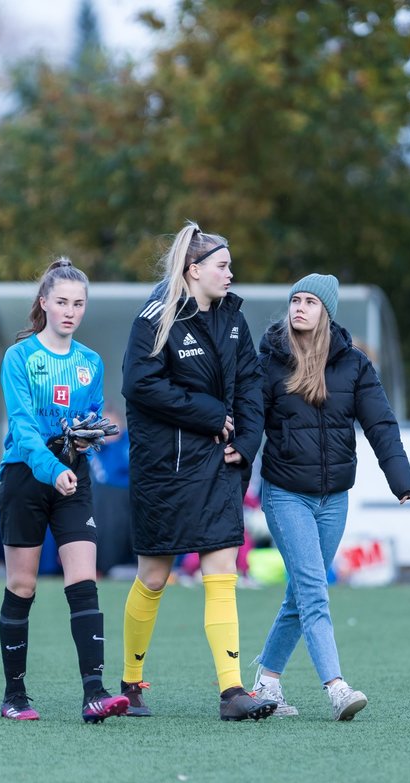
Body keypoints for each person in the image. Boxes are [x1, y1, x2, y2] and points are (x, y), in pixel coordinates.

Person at [118, 222, 276, 722]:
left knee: (222, 571)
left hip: (219, 468)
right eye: (223, 266)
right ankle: (131, 682)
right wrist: (209, 414)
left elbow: (250, 385)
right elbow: (138, 384)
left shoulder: (232, 316)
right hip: (164, 469)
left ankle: (232, 693)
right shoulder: (156, 315)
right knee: (155, 576)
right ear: (194, 270)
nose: (232, 274)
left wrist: (246, 443)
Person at [249, 274, 410, 721]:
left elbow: (380, 423)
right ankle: (337, 687)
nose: (299, 308)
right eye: (295, 300)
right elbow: (249, 426)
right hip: (285, 494)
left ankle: (266, 682)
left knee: (300, 594)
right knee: (313, 589)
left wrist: (399, 478)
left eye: (310, 302)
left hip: (334, 498)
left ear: (327, 311)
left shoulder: (354, 364)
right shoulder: (268, 362)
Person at [0, 258, 129, 723]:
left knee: (84, 582)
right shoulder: (20, 358)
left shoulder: (90, 362)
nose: (70, 311)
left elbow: (89, 419)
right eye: (62, 302)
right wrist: (54, 467)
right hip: (27, 478)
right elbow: (24, 429)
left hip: (74, 478)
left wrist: (89, 436)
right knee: (22, 585)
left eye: (78, 303)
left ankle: (95, 693)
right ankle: (15, 695)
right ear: (44, 304)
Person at [89, 407, 135, 575]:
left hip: (135, 493)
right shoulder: (93, 449)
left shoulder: (131, 441)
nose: (108, 431)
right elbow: (104, 477)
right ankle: (104, 565)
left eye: (112, 425)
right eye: (104, 426)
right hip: (109, 499)